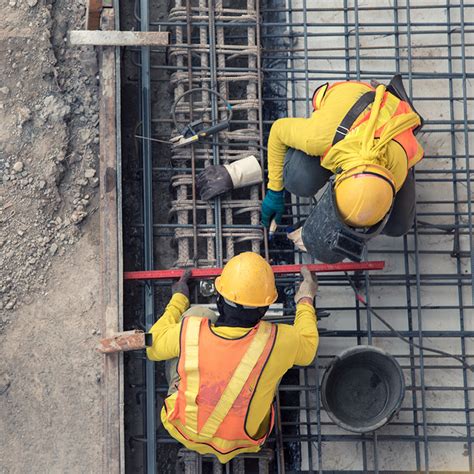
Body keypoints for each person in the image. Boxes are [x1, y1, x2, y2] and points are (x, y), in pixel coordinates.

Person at [146, 252, 318, 463]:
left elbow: (152, 347)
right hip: (245, 441)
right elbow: (309, 348)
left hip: (184, 429)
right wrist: (305, 299)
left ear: (219, 300)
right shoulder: (279, 340)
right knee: (273, 363)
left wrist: (179, 299)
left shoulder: (191, 331)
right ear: (264, 310)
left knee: (197, 314)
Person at [260, 75, 425, 261]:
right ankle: (387, 93)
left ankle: (399, 103)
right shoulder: (319, 136)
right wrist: (275, 190)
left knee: (398, 225)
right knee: (297, 180)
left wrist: (325, 233)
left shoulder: (398, 166)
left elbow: (365, 207)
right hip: (349, 104)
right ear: (338, 180)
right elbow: (277, 131)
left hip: (393, 125)